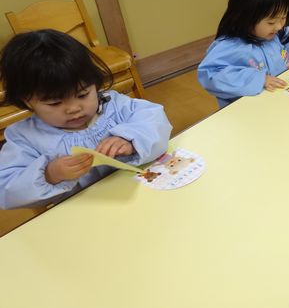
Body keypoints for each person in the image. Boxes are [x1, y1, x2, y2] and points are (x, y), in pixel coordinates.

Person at [0, 29, 172, 209]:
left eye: (82, 94)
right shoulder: (26, 137)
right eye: (55, 103)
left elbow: (155, 119)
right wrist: (50, 174)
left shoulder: (112, 106)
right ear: (27, 101)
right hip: (86, 211)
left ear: (94, 84)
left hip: (141, 195)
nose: (74, 109)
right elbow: (5, 189)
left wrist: (130, 139)